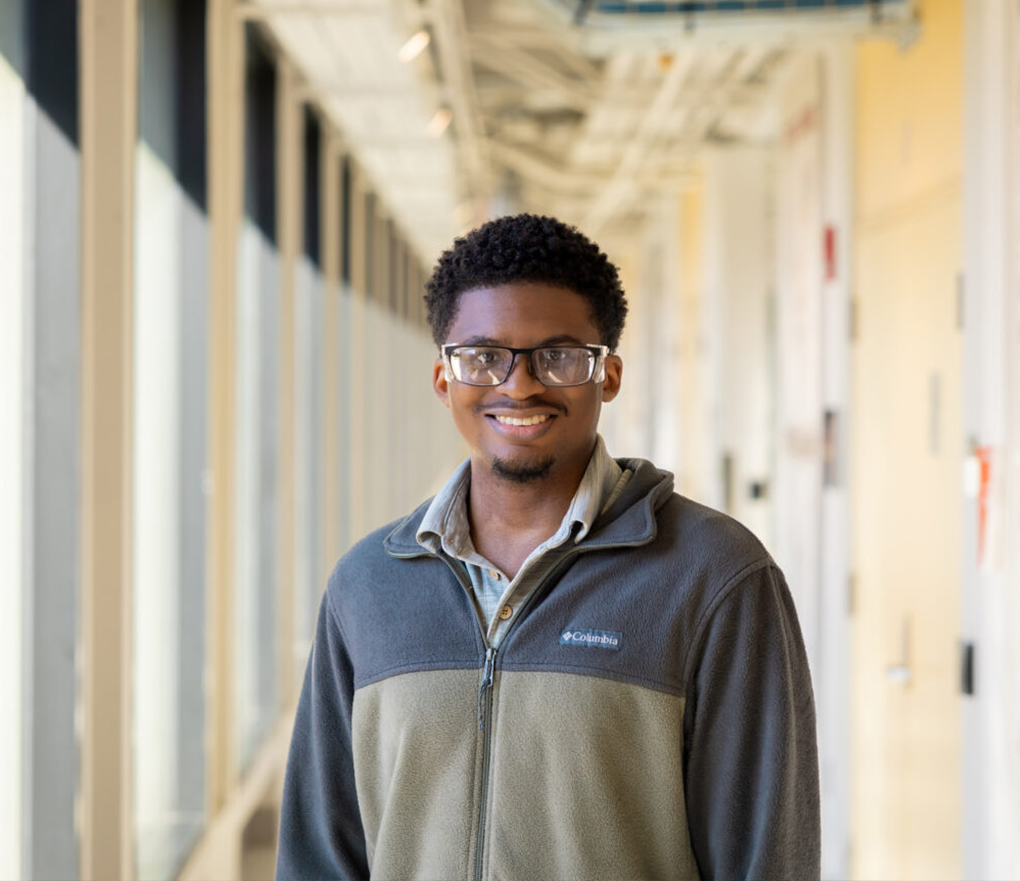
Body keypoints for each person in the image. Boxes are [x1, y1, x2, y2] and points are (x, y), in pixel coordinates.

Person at [275, 213, 820, 880]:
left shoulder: (714, 578)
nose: (520, 384)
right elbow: (319, 858)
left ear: (609, 375)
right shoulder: (367, 587)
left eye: (559, 356)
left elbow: (767, 857)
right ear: (445, 379)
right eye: (483, 357)